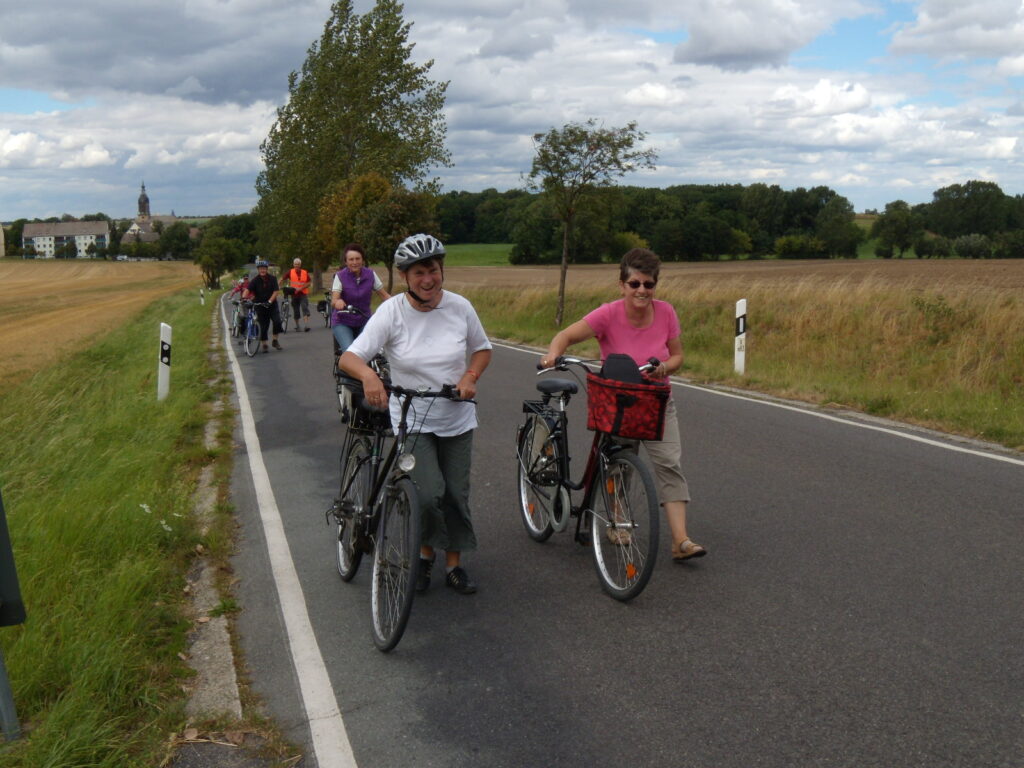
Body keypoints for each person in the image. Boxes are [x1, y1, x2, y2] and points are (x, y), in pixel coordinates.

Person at [340, 234, 492, 595]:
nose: (429, 279)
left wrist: (470, 376)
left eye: (434, 270)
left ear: (442, 271)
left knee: (456, 493)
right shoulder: (391, 312)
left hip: (456, 417)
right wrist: (370, 376)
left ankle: (453, 563)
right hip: (412, 417)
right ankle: (424, 556)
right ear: (405, 276)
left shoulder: (460, 308)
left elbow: (482, 350)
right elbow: (351, 356)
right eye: (420, 272)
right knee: (427, 494)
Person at [540, 248, 706, 562]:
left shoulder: (666, 312)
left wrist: (665, 368)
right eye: (635, 284)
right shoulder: (608, 314)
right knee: (619, 464)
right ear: (622, 285)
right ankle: (617, 523)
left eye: (648, 284)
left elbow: (678, 356)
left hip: (656, 401)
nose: (642, 290)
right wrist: (553, 353)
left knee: (669, 464)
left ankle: (681, 540)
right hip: (619, 402)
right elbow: (565, 335)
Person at [331, 243, 390, 354]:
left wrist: (400, 305)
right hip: (343, 321)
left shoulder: (370, 274)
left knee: (373, 350)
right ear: (346, 261)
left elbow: (384, 295)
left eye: (358, 259)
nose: (354, 262)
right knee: (351, 352)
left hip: (364, 319)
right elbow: (334, 300)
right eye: (351, 259)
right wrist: (338, 301)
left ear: (362, 260)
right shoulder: (340, 276)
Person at [243, 260, 284, 353]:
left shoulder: (273, 279)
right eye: (261, 269)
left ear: (267, 269)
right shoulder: (255, 280)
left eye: (264, 268)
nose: (263, 270)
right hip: (260, 305)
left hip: (272, 304)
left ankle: (275, 340)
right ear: (258, 270)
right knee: (263, 326)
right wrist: (244, 298)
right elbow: (247, 290)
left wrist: (269, 301)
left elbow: (276, 291)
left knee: (277, 321)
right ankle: (264, 344)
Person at [284, 258, 312, 332]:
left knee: (304, 308)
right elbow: (283, 278)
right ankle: (297, 326)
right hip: (294, 294)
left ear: (300, 265)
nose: (297, 265)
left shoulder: (304, 272)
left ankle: (306, 325)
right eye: (295, 264)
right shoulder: (290, 272)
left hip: (303, 293)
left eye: (298, 264)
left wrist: (301, 288)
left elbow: (309, 282)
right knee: (296, 311)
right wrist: (277, 285)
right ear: (293, 265)